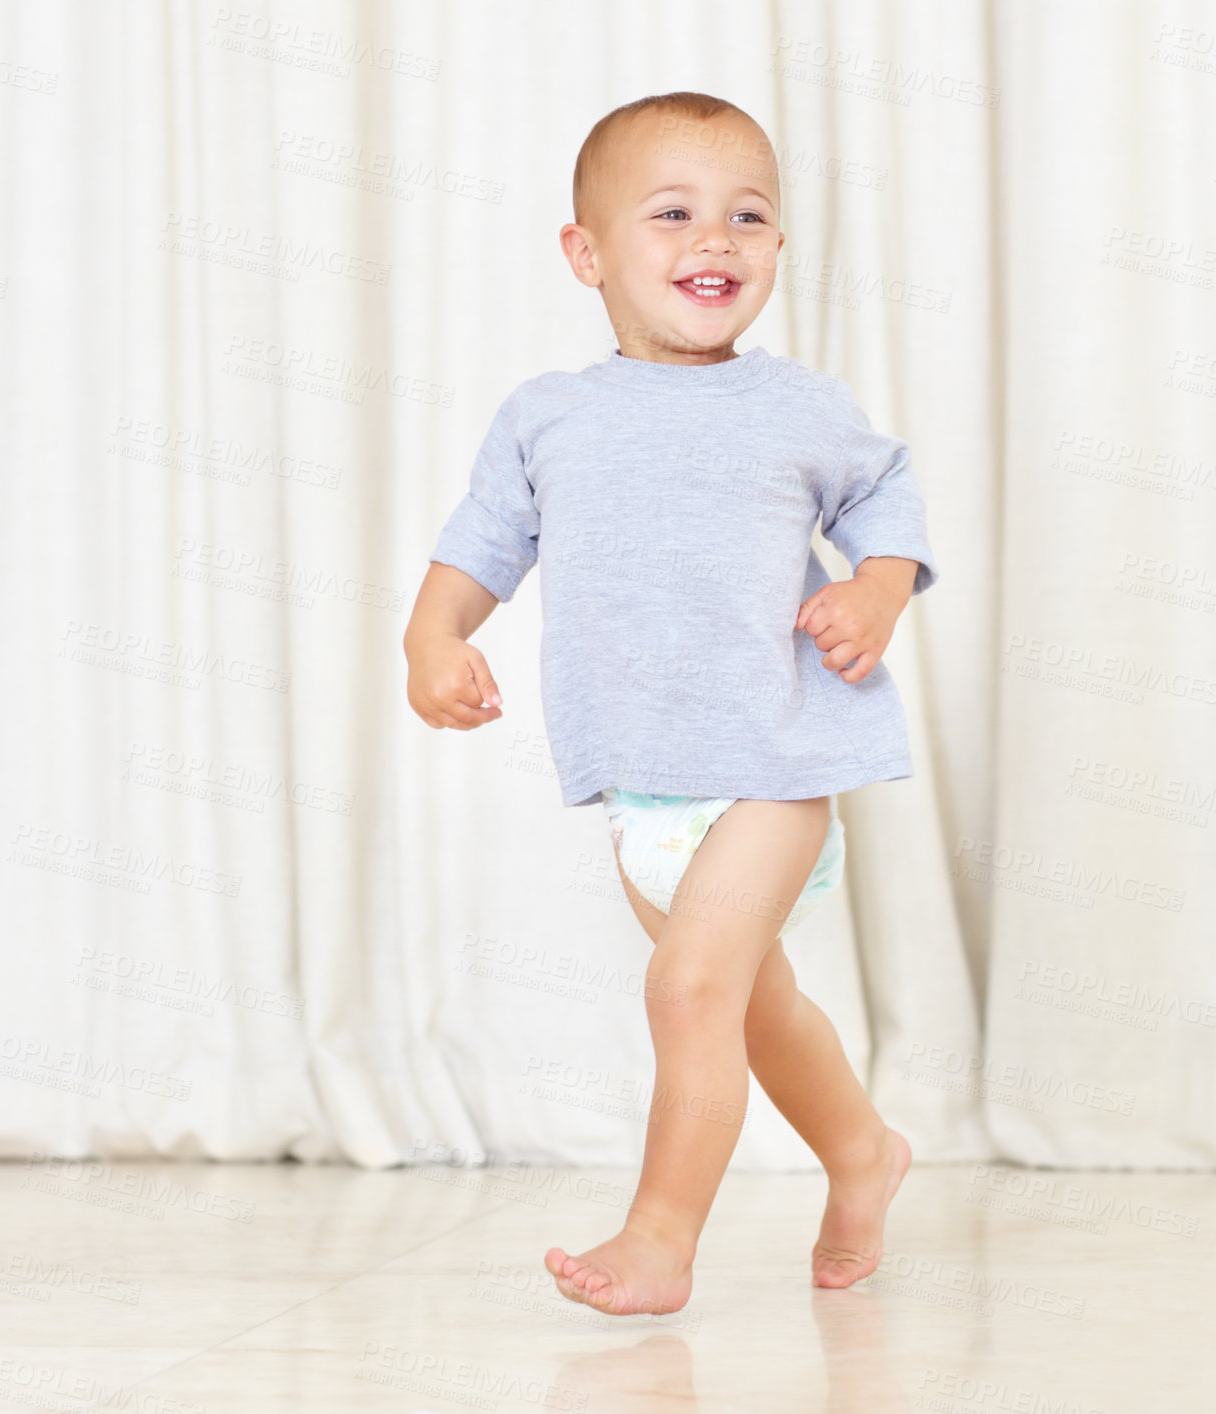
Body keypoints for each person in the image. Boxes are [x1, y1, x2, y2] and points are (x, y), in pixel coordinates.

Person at [402, 90, 938, 1316]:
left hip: (775, 760)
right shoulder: (549, 414)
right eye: (675, 215)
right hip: (641, 782)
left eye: (748, 217)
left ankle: (659, 1235)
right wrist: (430, 635)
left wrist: (876, 593)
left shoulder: (793, 403)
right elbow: (484, 541)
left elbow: (886, 497)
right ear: (585, 253)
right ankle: (863, 1150)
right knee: (754, 1009)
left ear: (778, 249)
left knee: (687, 990)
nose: (718, 240)